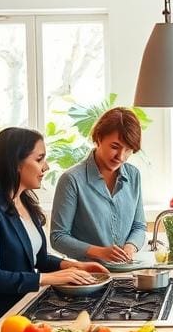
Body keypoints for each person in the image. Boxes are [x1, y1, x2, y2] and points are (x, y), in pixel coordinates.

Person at [0, 127, 107, 332]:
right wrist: (47, 278)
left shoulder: (23, 200)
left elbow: (38, 258)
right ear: (15, 162)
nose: (45, 167)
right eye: (39, 159)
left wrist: (74, 266)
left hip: (21, 311)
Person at [50, 107, 147, 263]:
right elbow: (58, 237)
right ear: (99, 139)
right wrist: (100, 252)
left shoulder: (134, 176)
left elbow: (139, 226)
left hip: (125, 272)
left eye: (128, 150)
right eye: (115, 147)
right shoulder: (71, 180)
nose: (120, 157)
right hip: (87, 276)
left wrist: (129, 248)